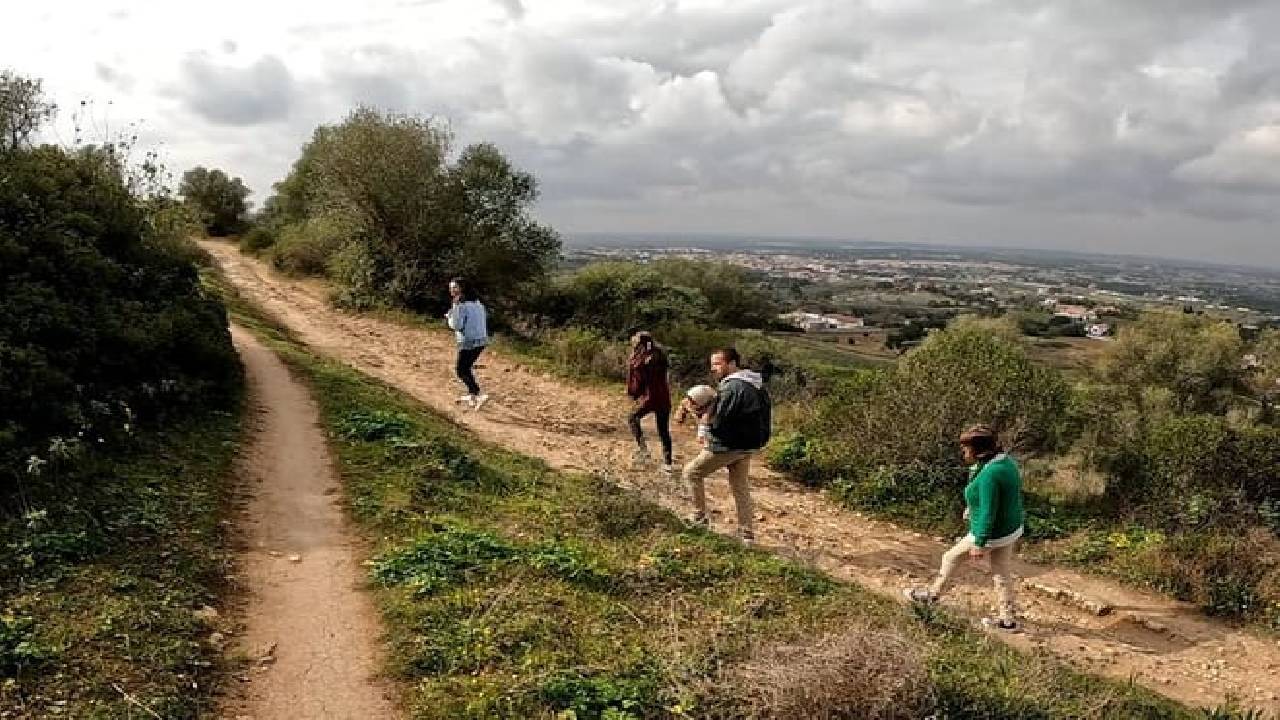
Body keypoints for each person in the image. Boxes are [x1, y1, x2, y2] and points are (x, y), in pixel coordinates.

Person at [904, 424, 1025, 631]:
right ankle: (1008, 620)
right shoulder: (1005, 462)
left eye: (966, 448)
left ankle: (932, 595)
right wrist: (972, 506)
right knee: (1001, 572)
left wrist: (979, 542)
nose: (963, 451)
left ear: (979, 450)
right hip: (1010, 529)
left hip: (992, 533)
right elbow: (999, 495)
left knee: (950, 558)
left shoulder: (990, 474)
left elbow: (988, 511)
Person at [682, 348, 771, 545]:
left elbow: (720, 423)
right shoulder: (755, 384)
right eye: (712, 364)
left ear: (732, 364)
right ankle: (747, 534)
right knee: (740, 487)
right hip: (748, 445)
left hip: (729, 445)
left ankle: (699, 518)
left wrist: (698, 417)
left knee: (691, 473)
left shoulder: (732, 387)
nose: (713, 368)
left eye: (717, 364)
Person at [625, 331, 673, 472]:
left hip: (651, 397)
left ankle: (643, 450)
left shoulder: (645, 358)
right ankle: (668, 462)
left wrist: (634, 393)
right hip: (663, 397)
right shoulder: (657, 354)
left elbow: (638, 375)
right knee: (663, 430)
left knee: (632, 417)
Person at [445, 277, 489, 410]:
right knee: (467, 367)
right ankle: (472, 395)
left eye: (455, 287)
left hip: (468, 341)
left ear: (462, 289)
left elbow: (456, 325)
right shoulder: (477, 302)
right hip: (481, 340)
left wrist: (449, 318)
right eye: (451, 287)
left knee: (461, 370)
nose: (451, 290)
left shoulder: (460, 305)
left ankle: (478, 393)